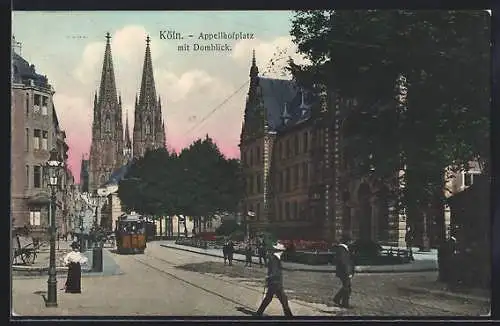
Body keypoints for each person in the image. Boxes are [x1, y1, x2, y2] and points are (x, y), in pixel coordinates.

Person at [255, 242, 293, 317]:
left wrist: (269, 278)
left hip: (274, 283)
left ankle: (258, 313)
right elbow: (274, 272)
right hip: (275, 283)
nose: (282, 253)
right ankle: (289, 317)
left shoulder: (274, 258)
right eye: (282, 251)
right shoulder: (274, 259)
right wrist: (269, 277)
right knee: (283, 300)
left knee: (269, 299)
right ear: (280, 251)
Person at [333, 240, 354, 308]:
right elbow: (345, 262)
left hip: (343, 272)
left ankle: (338, 299)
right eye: (350, 241)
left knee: (346, 287)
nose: (351, 243)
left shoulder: (343, 249)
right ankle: (343, 303)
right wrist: (348, 273)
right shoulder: (342, 249)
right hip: (344, 272)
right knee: (347, 288)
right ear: (347, 242)